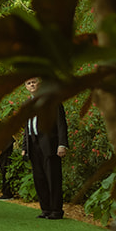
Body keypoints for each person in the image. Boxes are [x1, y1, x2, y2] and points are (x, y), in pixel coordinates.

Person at [23, 77, 69, 219]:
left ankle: (56, 210)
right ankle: (46, 209)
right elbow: (27, 127)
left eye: (34, 82)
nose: (31, 85)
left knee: (53, 177)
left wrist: (62, 144)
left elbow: (61, 124)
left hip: (50, 144)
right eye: (28, 83)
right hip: (33, 143)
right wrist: (25, 146)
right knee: (39, 177)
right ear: (25, 87)